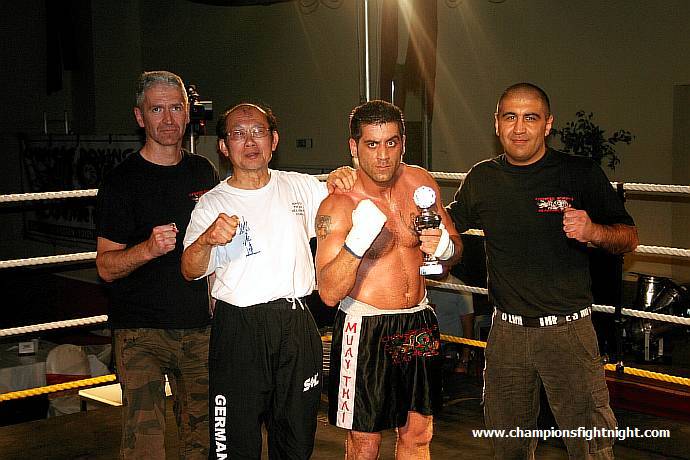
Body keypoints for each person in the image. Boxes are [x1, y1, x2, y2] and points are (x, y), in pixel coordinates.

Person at [447, 82, 639, 459]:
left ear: (548, 124)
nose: (519, 128)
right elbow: (446, 224)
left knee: (590, 447)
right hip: (507, 334)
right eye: (510, 117)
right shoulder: (482, 177)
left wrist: (594, 231)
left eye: (530, 118)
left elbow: (629, 237)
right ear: (497, 123)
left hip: (568, 332)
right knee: (508, 445)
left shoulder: (579, 173)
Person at [180, 102, 355, 459]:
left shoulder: (301, 187)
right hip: (239, 329)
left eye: (258, 131)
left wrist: (344, 178)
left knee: (296, 437)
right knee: (234, 442)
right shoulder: (212, 203)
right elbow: (189, 269)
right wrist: (207, 240)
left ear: (274, 140)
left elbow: (345, 207)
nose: (250, 141)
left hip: (296, 321)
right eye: (239, 134)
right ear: (224, 146)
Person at [315, 100, 463, 460]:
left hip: (418, 320)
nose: (383, 156)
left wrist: (444, 248)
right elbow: (329, 293)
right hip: (366, 327)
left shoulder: (421, 183)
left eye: (391, 143)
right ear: (354, 147)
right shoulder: (338, 205)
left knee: (418, 434)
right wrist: (357, 243)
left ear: (403, 143)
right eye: (372, 144)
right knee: (365, 442)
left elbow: (453, 253)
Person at [95, 70, 219, 459]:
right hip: (140, 332)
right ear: (140, 116)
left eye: (176, 108)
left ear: (188, 113)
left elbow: (217, 251)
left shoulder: (203, 171)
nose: (168, 119)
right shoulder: (121, 181)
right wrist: (147, 249)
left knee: (205, 443)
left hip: (198, 329)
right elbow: (105, 266)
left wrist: (219, 305)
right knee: (144, 445)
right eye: (157, 109)